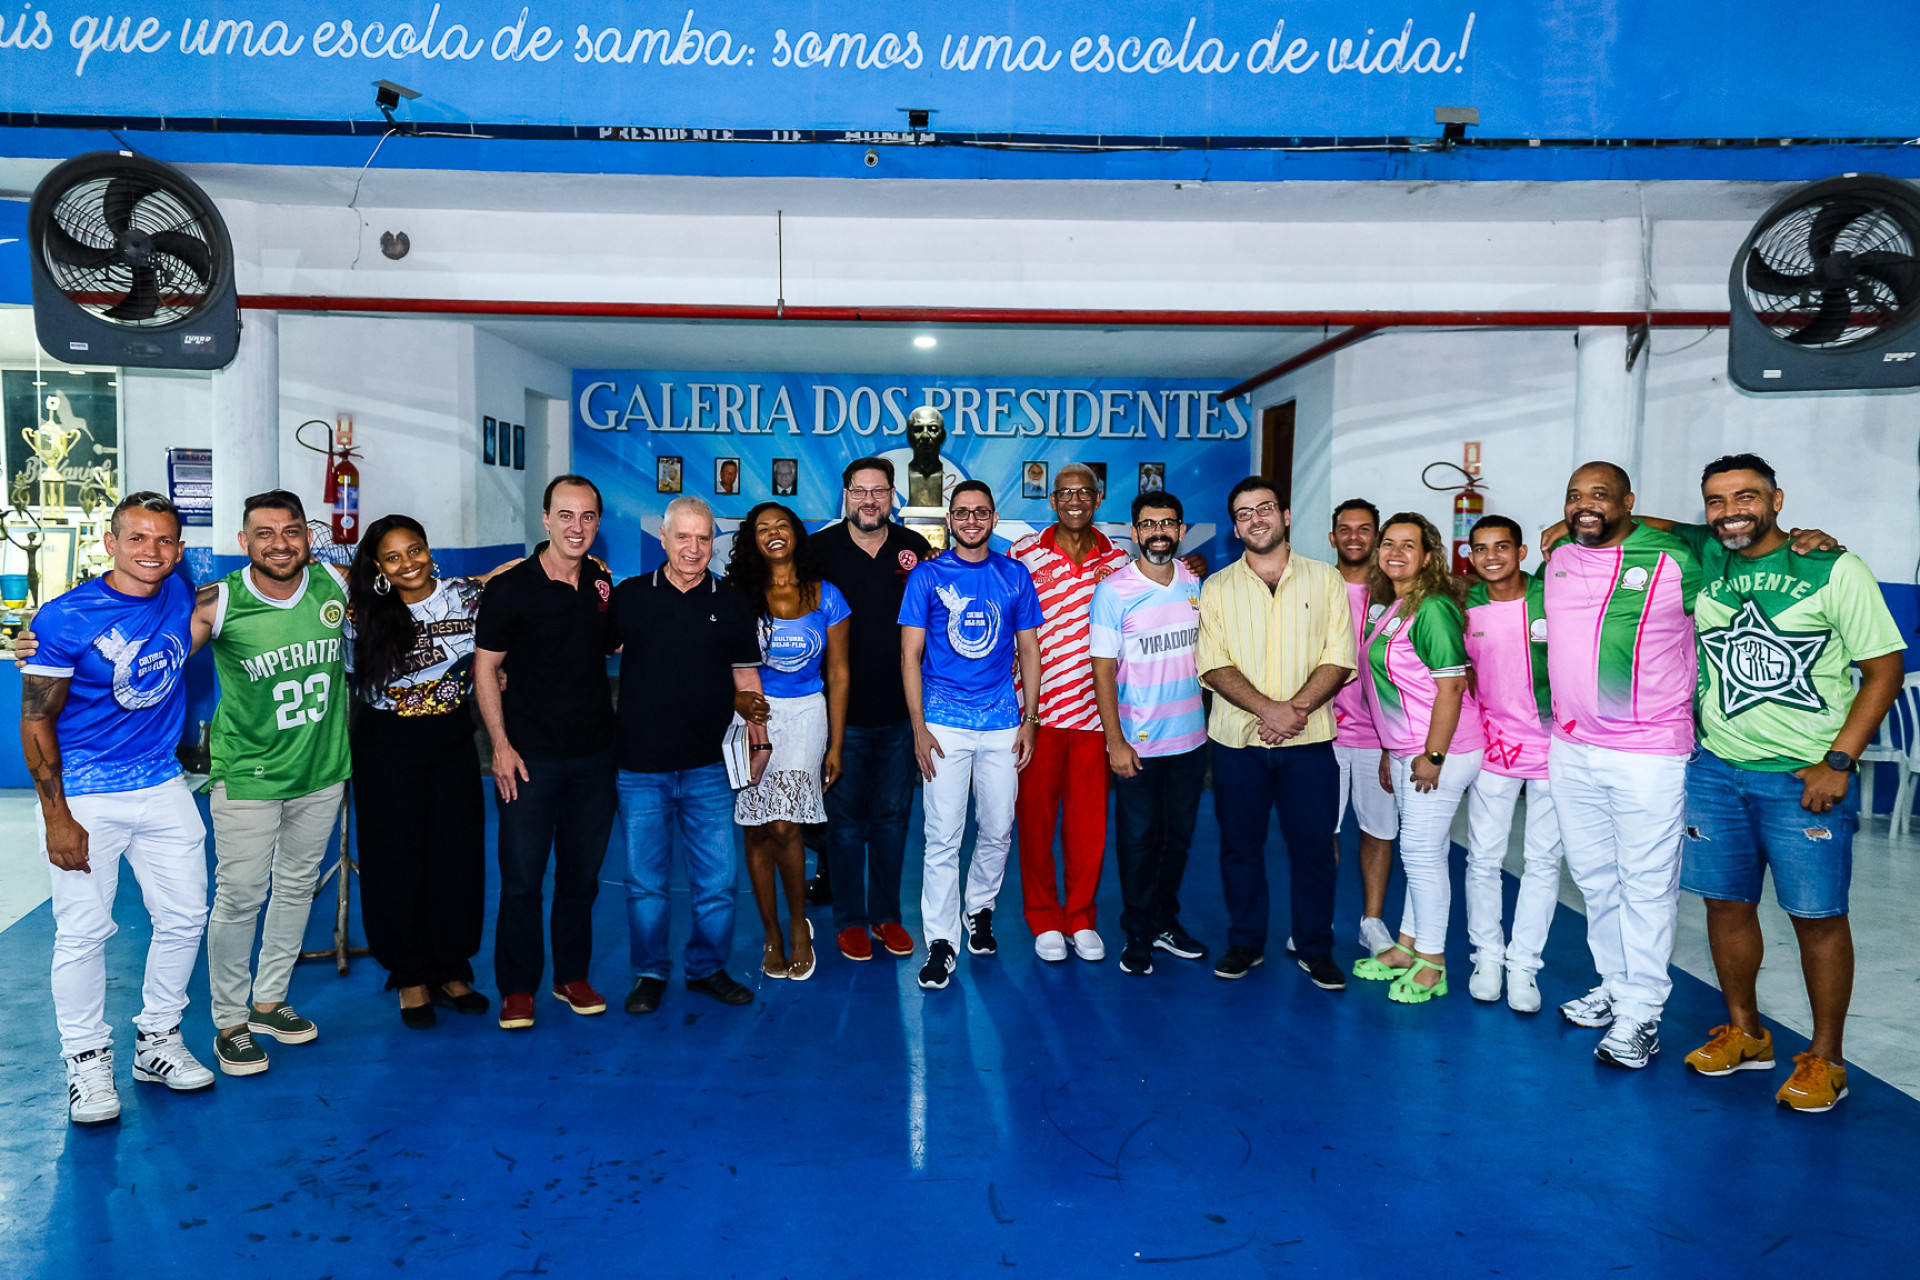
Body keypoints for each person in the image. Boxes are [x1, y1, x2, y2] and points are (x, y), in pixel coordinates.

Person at [1665, 456, 1902, 1111]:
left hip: (1802, 779)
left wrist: (1839, 762)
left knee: (1817, 918)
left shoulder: (1832, 568)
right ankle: (1747, 1033)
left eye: (1747, 496)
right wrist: (1572, 520)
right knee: (1724, 905)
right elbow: (1643, 523)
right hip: (1716, 769)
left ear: (1777, 500)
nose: (1731, 511)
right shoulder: (1709, 558)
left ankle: (1827, 1058)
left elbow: (1884, 670)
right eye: (1716, 500)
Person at [21, 493, 213, 1124]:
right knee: (82, 932)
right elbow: (35, 720)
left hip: (162, 784)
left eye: (164, 540)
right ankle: (85, 1062)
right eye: (137, 538)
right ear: (110, 543)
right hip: (84, 794)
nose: (151, 551)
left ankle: (157, 1040)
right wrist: (57, 817)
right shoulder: (64, 618)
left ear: (178, 549)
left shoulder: (179, 592)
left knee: (185, 917)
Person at [1541, 462, 1703, 1069]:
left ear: (1629, 501)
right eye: (1574, 495)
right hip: (1572, 747)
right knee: (1594, 878)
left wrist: (1806, 539)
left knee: (1646, 884)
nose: (1585, 504)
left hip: (1649, 752)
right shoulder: (1557, 558)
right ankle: (1615, 983)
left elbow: (1733, 541)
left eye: (1600, 495)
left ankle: (1643, 1013)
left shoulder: (1675, 557)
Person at [201, 489, 352, 1075]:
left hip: (321, 770)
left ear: (308, 537)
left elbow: (419, 592)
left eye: (291, 531)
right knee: (240, 896)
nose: (280, 544)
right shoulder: (219, 602)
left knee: (296, 887)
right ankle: (229, 1022)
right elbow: (144, 623)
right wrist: (49, 636)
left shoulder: (334, 584)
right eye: (264, 533)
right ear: (244, 542)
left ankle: (268, 1002)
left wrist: (507, 574)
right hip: (248, 774)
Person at [611, 496, 769, 1013]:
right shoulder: (631, 597)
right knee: (645, 883)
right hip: (640, 768)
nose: (694, 548)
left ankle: (707, 969)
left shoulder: (733, 601)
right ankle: (649, 973)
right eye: (683, 537)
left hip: (709, 768)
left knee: (718, 882)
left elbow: (746, 678)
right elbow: (584, 653)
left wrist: (760, 740)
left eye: (703, 538)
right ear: (663, 537)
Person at [1196, 477, 1356, 990]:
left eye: (1264, 508)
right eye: (1244, 514)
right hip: (1236, 743)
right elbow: (1213, 664)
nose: (1256, 519)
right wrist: (1270, 710)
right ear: (1235, 527)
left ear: (1285, 516)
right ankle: (1245, 943)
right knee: (1239, 848)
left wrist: (1295, 711)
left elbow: (1339, 657)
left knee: (1314, 849)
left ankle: (1315, 948)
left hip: (1309, 742)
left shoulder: (1325, 579)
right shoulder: (1216, 587)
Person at [473, 475, 619, 1031]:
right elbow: (486, 668)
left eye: (587, 516)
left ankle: (571, 977)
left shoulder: (601, 584)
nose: (576, 527)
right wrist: (500, 746)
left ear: (597, 523)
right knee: (521, 880)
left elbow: (612, 642)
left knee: (581, 879)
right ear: (545, 518)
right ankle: (517, 988)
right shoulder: (511, 588)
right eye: (565, 515)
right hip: (528, 758)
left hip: (594, 758)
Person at [345, 515, 493, 1029]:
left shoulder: (466, 598)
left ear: (430, 549)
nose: (408, 563)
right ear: (378, 567)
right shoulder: (360, 612)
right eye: (393, 557)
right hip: (385, 745)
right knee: (394, 861)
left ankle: (451, 968)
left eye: (415, 550)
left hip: (452, 740)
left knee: (456, 856)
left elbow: (512, 573)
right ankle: (409, 974)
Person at [899, 480, 1043, 991]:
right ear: (950, 519)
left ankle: (979, 909)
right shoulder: (928, 576)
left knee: (999, 827)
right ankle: (941, 942)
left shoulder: (1014, 574)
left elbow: (1029, 649)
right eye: (962, 512)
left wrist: (1030, 719)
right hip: (942, 724)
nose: (971, 520)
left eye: (981, 512)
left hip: (1002, 722)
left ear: (994, 518)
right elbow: (909, 655)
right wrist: (918, 726)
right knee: (942, 836)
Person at [1348, 513, 1483, 1004]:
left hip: (1443, 750)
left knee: (1421, 856)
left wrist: (1433, 754)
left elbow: (1451, 687)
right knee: (1421, 852)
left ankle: (1432, 964)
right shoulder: (1396, 606)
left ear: (1428, 557)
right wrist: (1393, 749)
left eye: (1409, 545)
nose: (1395, 552)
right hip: (1409, 749)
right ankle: (1407, 948)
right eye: (1389, 543)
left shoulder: (1434, 608)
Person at [809, 457, 933, 962]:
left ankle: (885, 916)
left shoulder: (914, 549)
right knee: (843, 825)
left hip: (901, 714)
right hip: (839, 716)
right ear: (845, 494)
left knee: (892, 819)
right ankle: (849, 920)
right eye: (859, 491)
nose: (869, 500)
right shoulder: (818, 551)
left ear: (892, 496)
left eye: (879, 491)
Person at [1009, 462, 1132, 963]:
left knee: (1088, 828)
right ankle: (1043, 918)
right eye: (1065, 493)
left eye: (1084, 493)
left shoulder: (1120, 559)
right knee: (1034, 824)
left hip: (1095, 716)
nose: (1075, 501)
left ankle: (1080, 917)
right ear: (1052, 501)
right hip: (1035, 715)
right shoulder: (1024, 553)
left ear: (1098, 499)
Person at [725, 502, 849, 981]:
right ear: (752, 540)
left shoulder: (827, 595)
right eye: (763, 528)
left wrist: (836, 744)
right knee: (755, 829)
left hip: (806, 715)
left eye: (782, 526)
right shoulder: (740, 595)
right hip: (752, 717)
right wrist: (735, 702)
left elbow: (839, 674)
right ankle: (771, 932)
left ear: (797, 534)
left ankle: (799, 927)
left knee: (783, 825)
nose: (774, 533)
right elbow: (715, 659)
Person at [1090, 491, 1210, 977]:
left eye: (1167, 524)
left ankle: (1164, 923)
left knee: (1177, 840)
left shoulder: (1195, 583)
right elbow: (1102, 669)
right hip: (1138, 743)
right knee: (1138, 841)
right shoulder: (1113, 591)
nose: (1158, 532)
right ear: (1135, 532)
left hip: (1191, 741)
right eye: (1148, 524)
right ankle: (1137, 932)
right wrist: (1115, 741)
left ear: (1180, 531)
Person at [1460, 516, 1563, 1013]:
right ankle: (1487, 957)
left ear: (1521, 552)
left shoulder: (1553, 597)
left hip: (1556, 749)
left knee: (1543, 862)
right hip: (1493, 749)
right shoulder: (1464, 607)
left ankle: (1524, 965)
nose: (1491, 556)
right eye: (1481, 548)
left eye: (1502, 546)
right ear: (1470, 556)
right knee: (1483, 858)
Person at [1326, 498, 1398, 957]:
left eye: (1364, 528)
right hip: (1323, 733)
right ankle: (1319, 920)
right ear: (1332, 536)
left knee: (1379, 830)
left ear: (1377, 536)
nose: (1354, 536)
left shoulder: (1396, 592)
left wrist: (1396, 743)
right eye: (1345, 529)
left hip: (1380, 737)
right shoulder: (1317, 585)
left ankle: (1372, 923)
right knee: (1321, 832)